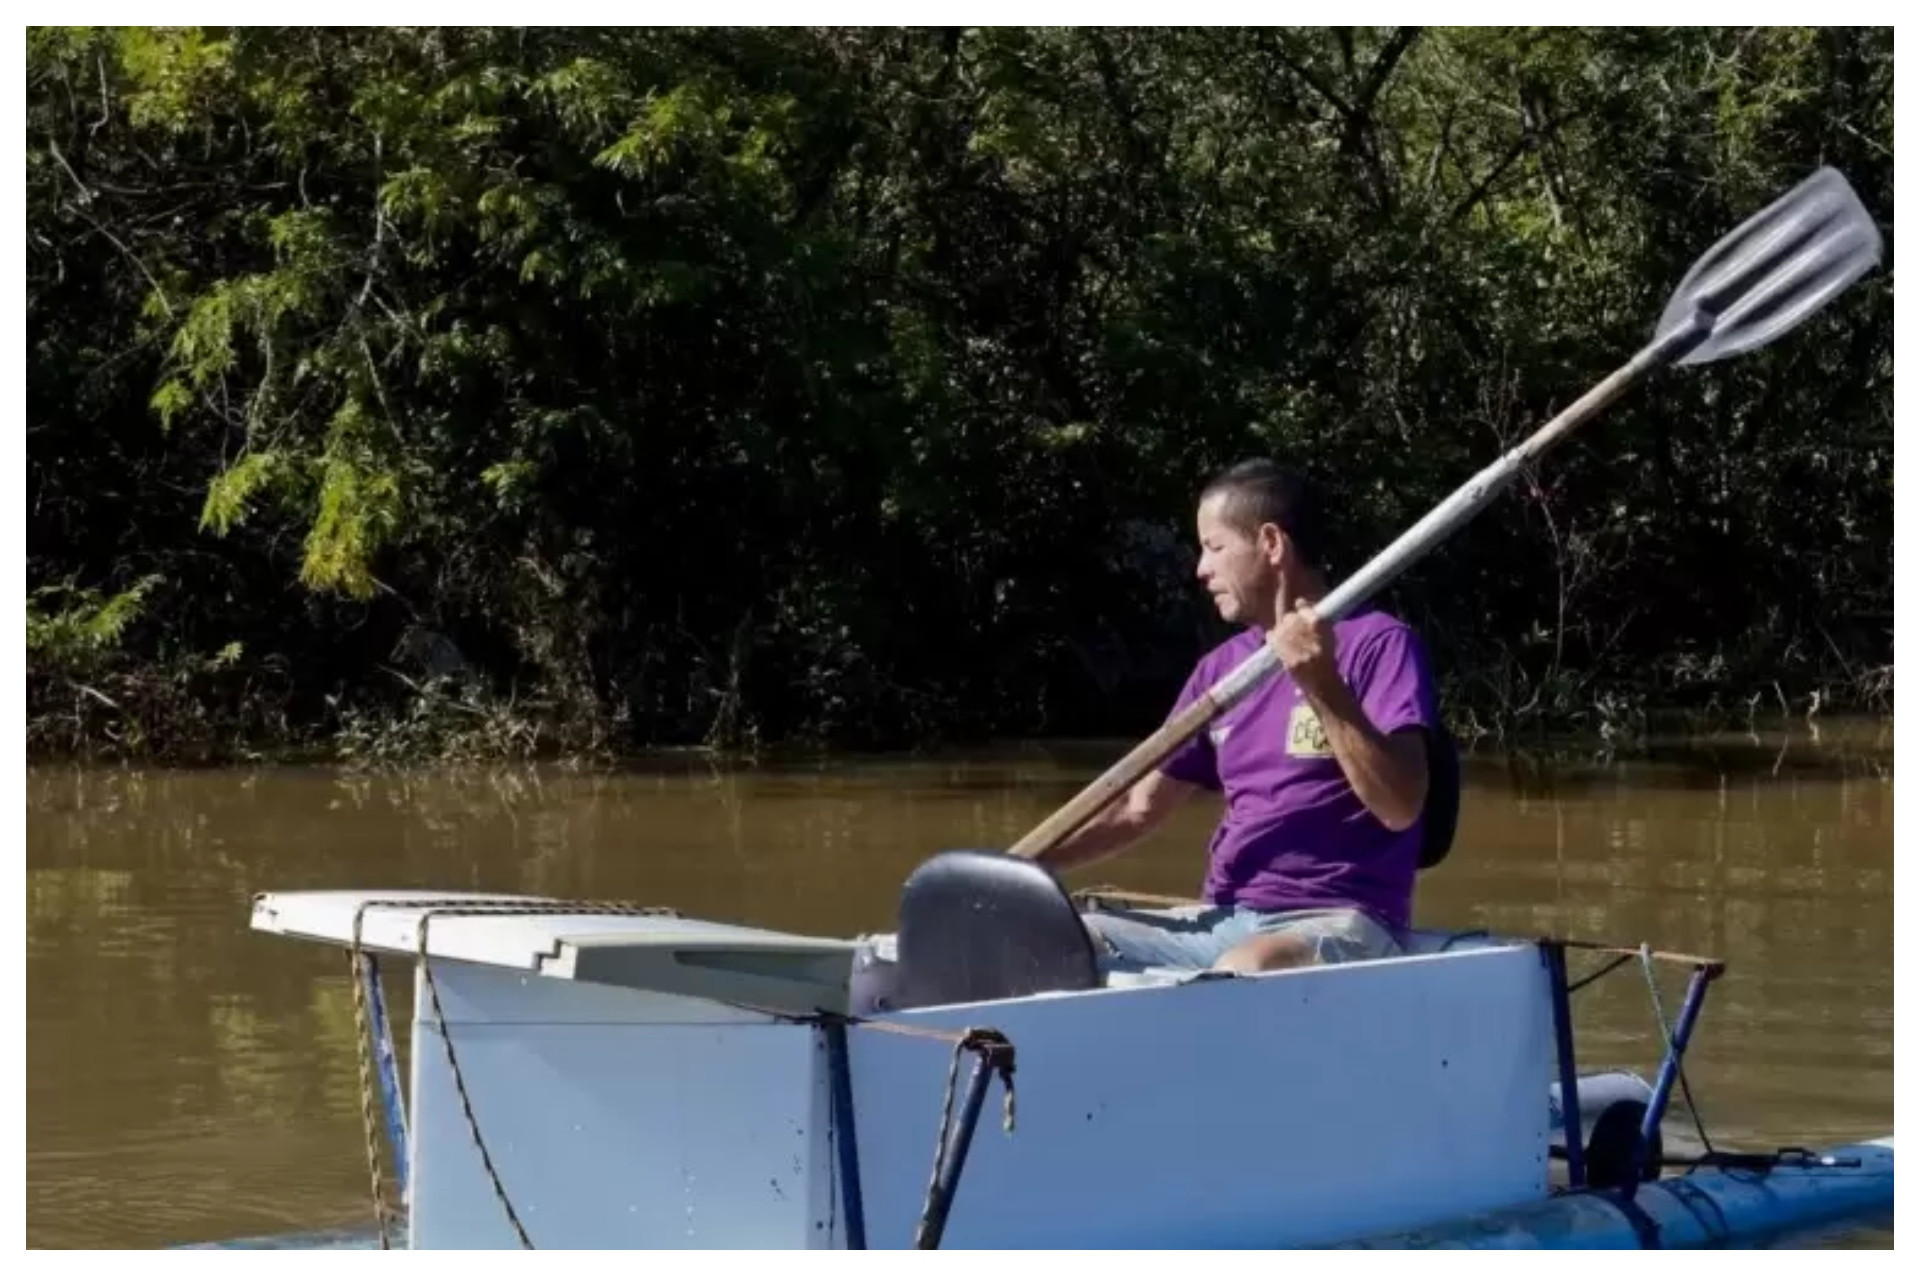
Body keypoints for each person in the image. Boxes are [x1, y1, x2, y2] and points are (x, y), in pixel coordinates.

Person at [1033, 459, 1440, 974]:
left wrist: (1321, 685)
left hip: (1339, 918)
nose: (1201, 569)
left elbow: (1400, 807)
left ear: (1271, 544)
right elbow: (1138, 807)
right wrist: (1025, 865)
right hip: (1223, 918)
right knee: (1052, 939)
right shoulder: (1221, 672)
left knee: (1248, 967)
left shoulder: (1378, 643)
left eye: (1215, 547)